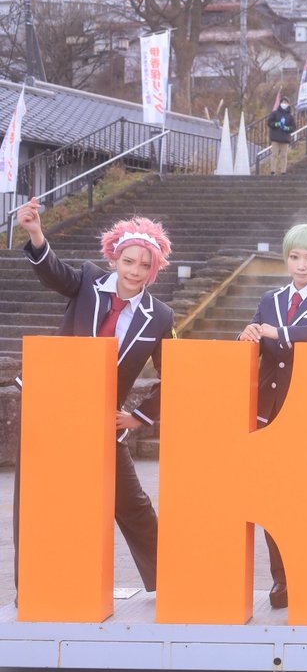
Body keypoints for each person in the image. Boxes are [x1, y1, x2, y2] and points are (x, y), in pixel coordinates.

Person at [12, 199, 175, 597]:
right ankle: (33, 587)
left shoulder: (160, 316)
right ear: (114, 258)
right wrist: (36, 233)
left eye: (144, 265)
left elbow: (177, 374)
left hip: (102, 422)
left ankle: (173, 581)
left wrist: (140, 416)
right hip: (51, 408)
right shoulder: (86, 281)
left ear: (154, 269)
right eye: (128, 261)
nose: (134, 271)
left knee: (132, 504)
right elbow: (53, 273)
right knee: (35, 500)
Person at [238, 224, 307, 609]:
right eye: (295, 257)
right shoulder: (270, 298)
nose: (301, 265)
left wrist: (280, 332)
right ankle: (282, 579)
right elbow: (257, 340)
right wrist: (248, 334)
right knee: (273, 499)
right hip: (269, 412)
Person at [266, 96, 296, 175]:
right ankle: (272, 171)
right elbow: (269, 122)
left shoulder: (290, 116)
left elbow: (293, 127)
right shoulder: (274, 113)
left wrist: (287, 128)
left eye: (285, 102)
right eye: (282, 102)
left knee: (284, 156)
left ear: (288, 104)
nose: (284, 104)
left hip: (285, 138)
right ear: (280, 103)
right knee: (274, 155)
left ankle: (283, 171)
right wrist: (276, 124)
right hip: (275, 138)